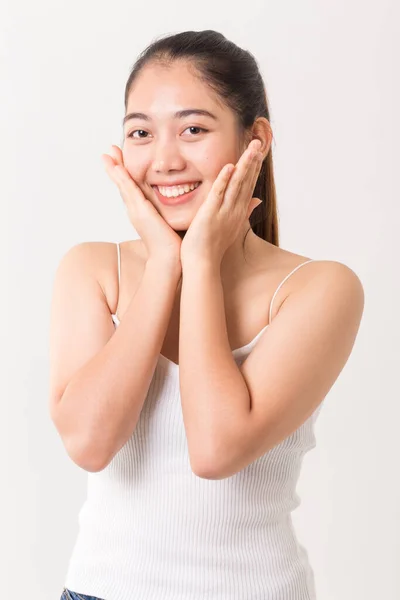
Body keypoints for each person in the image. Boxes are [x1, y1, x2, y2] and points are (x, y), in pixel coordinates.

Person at [50, 30, 365, 600]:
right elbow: (90, 444)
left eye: (193, 129)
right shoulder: (90, 270)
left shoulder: (320, 288)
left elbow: (216, 448)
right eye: (141, 132)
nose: (165, 159)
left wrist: (199, 264)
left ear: (256, 140)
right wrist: (165, 265)